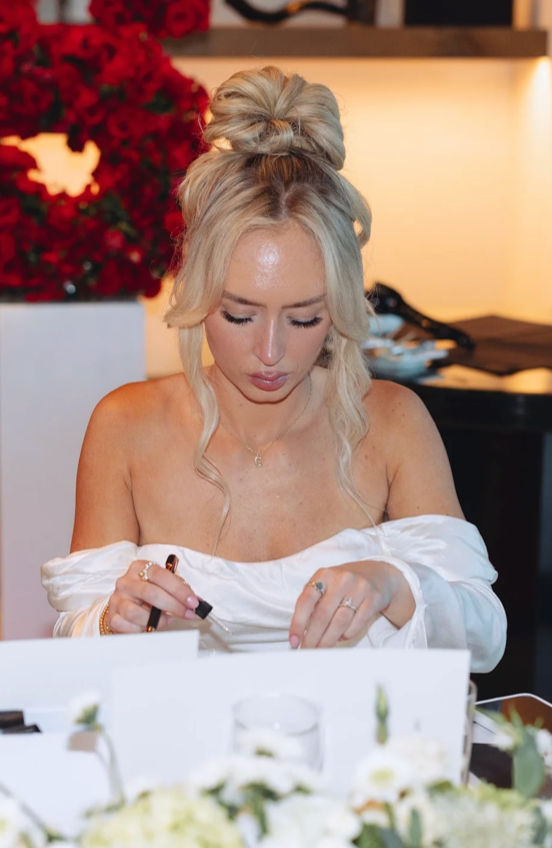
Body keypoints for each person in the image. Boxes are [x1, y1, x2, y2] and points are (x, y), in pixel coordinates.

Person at [42, 66, 506, 670]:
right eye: (239, 316)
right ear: (198, 293)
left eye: (305, 319)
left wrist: (396, 585)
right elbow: (73, 648)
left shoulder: (390, 423)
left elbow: (485, 637)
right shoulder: (126, 426)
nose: (270, 354)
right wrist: (113, 621)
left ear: (340, 308)